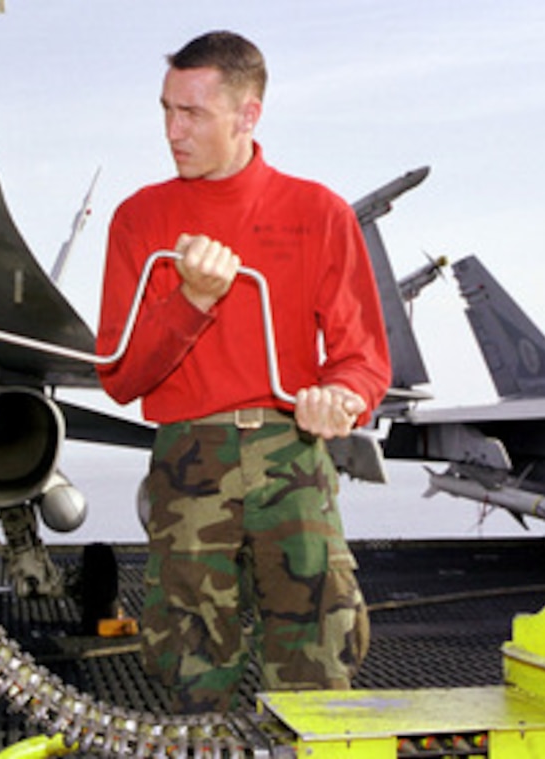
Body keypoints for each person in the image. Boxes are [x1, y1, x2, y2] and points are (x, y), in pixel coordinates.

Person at [95, 30, 392, 713]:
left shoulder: (318, 212)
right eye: (166, 109)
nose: (173, 130)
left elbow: (364, 357)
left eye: (192, 113)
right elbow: (119, 374)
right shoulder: (139, 221)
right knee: (193, 668)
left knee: (320, 658)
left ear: (248, 114)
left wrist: (342, 398)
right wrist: (192, 300)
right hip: (187, 459)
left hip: (293, 453)